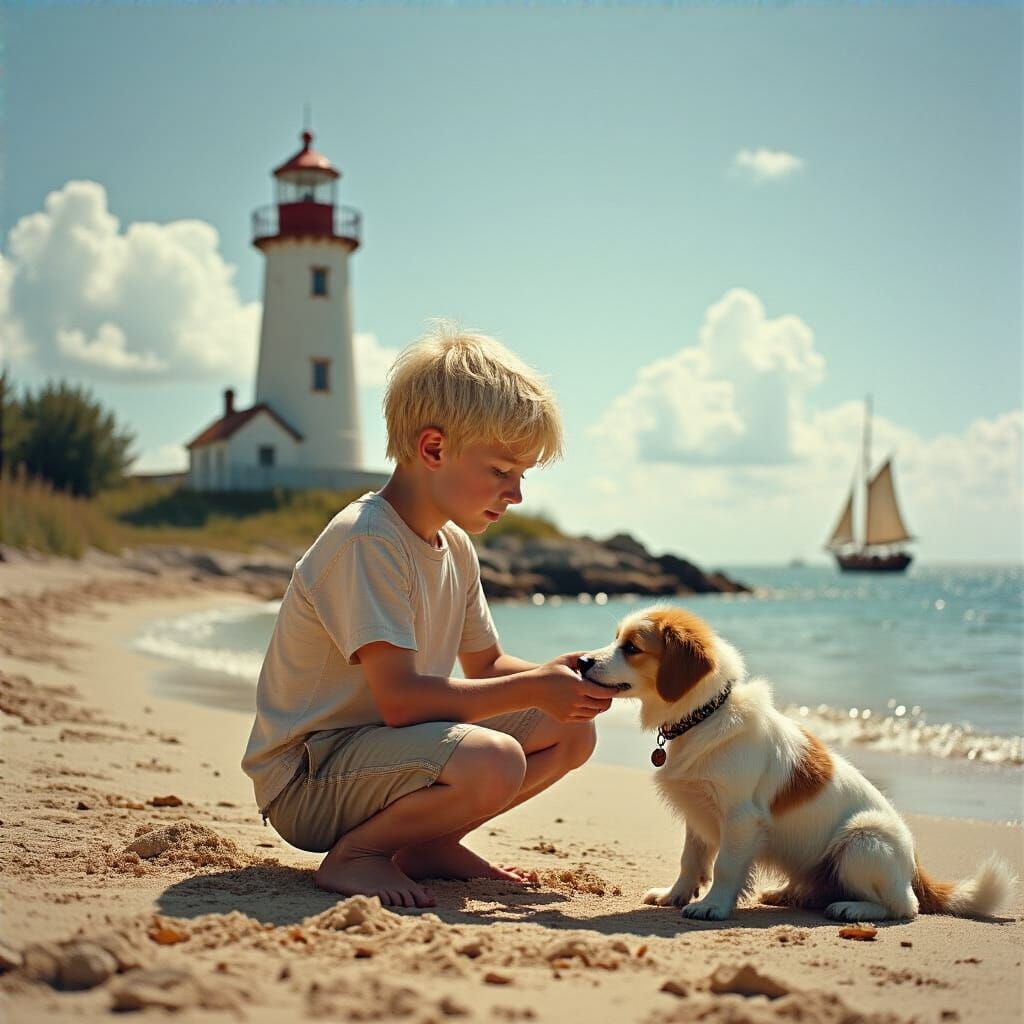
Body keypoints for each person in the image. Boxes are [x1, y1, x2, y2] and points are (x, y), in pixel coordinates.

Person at [241, 322, 614, 908]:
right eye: (500, 471)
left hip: (385, 754)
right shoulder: (368, 540)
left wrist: (560, 679)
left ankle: (428, 841)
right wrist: (533, 688)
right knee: (491, 761)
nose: (515, 495)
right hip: (310, 778)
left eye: (522, 476)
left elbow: (486, 664)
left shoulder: (454, 545)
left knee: (570, 730)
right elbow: (404, 700)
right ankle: (358, 855)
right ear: (433, 449)